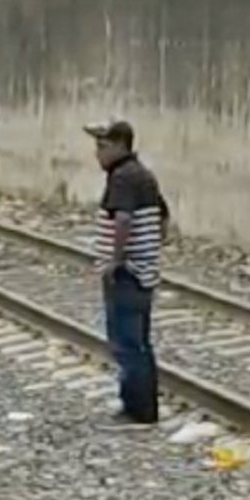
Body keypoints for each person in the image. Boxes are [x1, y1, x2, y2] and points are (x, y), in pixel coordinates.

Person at [86, 119, 169, 425]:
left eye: (103, 146)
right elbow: (163, 217)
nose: (98, 154)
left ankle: (137, 409)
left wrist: (115, 261)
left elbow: (122, 220)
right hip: (143, 271)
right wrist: (153, 251)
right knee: (140, 342)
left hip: (128, 273)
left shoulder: (122, 177)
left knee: (126, 343)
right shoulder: (143, 175)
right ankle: (145, 407)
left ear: (121, 145)